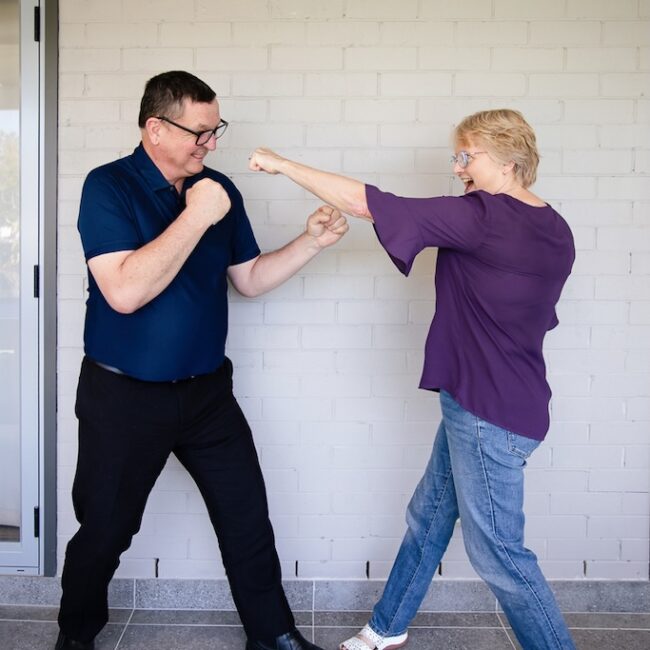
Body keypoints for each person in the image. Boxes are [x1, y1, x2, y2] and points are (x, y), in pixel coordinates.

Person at [248, 109, 576, 650]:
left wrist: (282, 164)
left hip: (488, 412)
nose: (458, 168)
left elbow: (368, 203)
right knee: (430, 515)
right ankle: (386, 627)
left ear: (508, 160)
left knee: (499, 553)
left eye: (466, 156)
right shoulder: (555, 228)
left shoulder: (484, 216)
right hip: (499, 401)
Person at [55, 70, 347, 650]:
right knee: (106, 530)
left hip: (208, 394)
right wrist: (196, 214)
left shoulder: (218, 190)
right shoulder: (108, 186)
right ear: (155, 129)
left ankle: (274, 636)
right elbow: (124, 292)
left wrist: (311, 242)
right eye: (201, 132)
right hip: (123, 397)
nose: (211, 144)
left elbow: (250, 279)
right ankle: (75, 637)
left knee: (247, 519)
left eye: (216, 130)